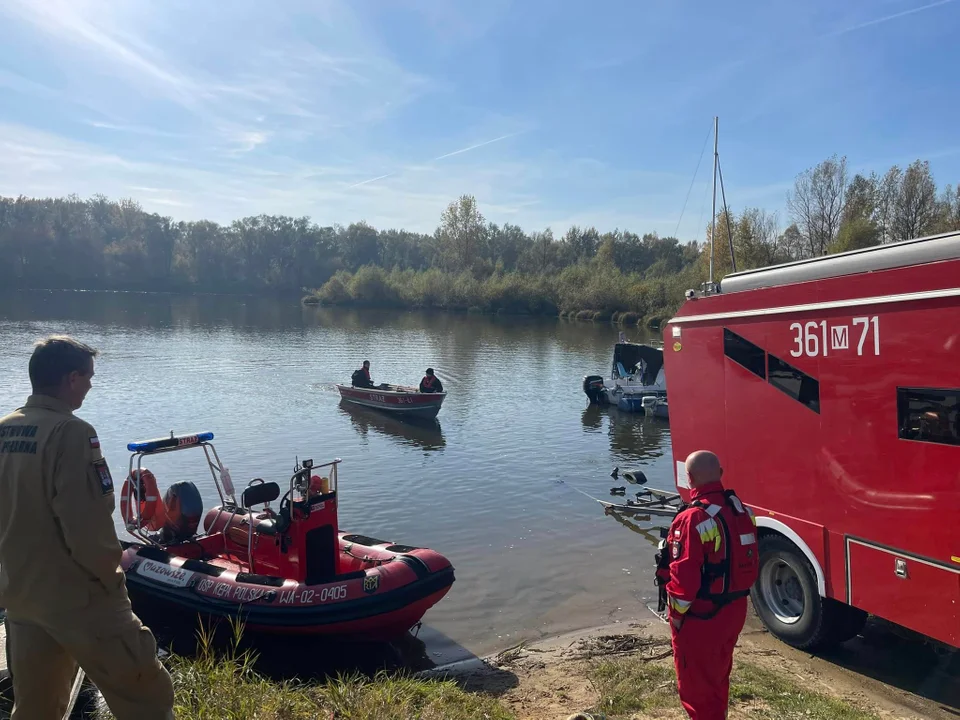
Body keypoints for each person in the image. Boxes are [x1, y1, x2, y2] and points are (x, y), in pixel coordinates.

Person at [0, 336, 175, 720]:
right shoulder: (72, 433)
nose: (92, 385)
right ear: (72, 378)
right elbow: (85, 526)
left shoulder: (5, 428)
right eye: (89, 377)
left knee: (35, 707)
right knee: (148, 693)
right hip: (79, 597)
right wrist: (114, 574)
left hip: (21, 596)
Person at [654, 450, 759, 720]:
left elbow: (683, 579)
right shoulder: (742, 510)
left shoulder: (692, 518)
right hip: (734, 610)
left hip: (702, 617)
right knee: (718, 676)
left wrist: (676, 617)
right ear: (721, 473)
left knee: (696, 687)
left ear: (689, 478)